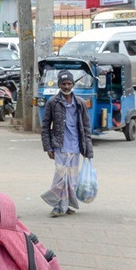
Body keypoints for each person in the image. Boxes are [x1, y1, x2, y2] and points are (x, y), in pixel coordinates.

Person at [40, 70, 93, 217]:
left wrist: (88, 150)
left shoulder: (80, 103)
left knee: (71, 179)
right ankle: (57, 206)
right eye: (63, 84)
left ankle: (66, 205)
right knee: (60, 177)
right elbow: (45, 127)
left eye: (69, 83)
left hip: (76, 146)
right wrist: (48, 147)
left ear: (73, 84)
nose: (66, 86)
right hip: (59, 146)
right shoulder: (52, 102)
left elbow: (86, 128)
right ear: (59, 85)